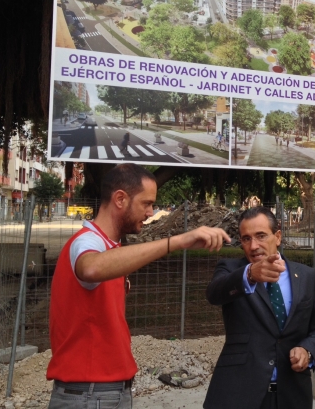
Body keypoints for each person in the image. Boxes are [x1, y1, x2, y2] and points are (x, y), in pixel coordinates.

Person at [47, 164, 230, 409]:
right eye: (146, 203)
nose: (151, 212)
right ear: (120, 199)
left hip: (102, 391)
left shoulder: (110, 247)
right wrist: (175, 242)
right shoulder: (88, 242)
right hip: (90, 394)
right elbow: (90, 268)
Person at [204, 206, 315, 409]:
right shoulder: (231, 271)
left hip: (292, 395)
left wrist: (308, 349)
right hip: (239, 394)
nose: (253, 246)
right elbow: (214, 293)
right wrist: (250, 275)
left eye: (261, 236)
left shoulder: (305, 276)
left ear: (277, 237)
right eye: (246, 239)